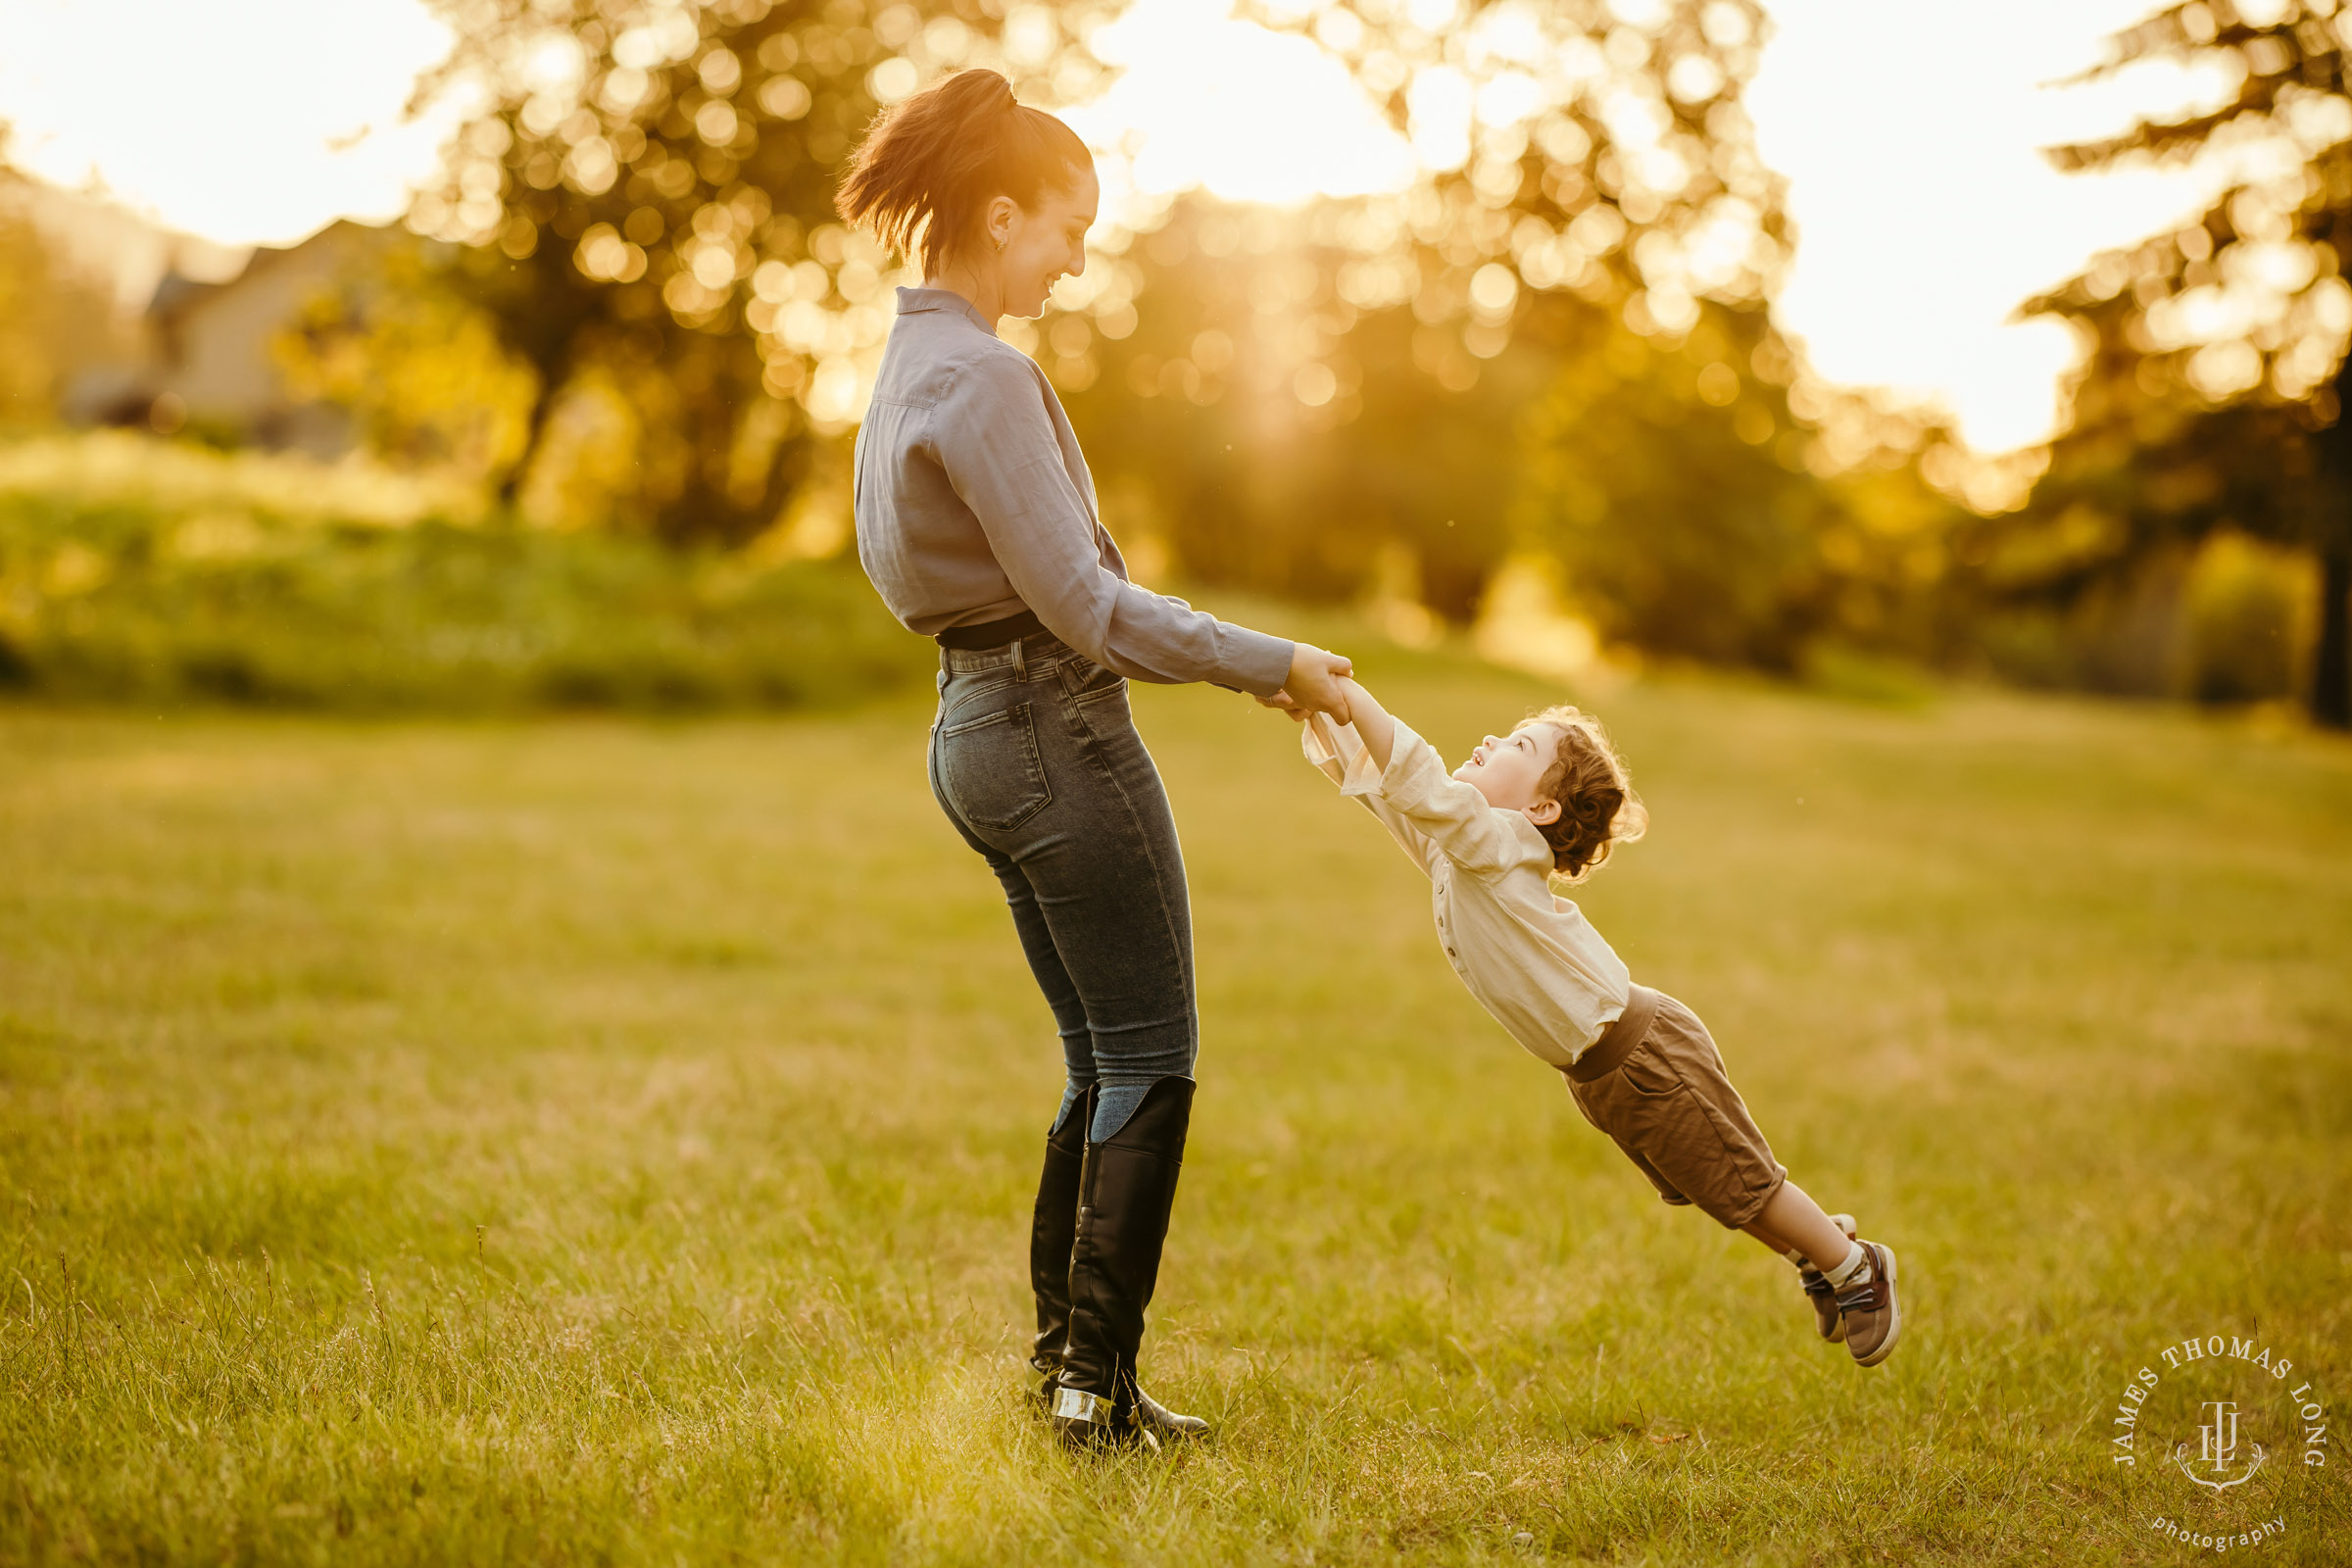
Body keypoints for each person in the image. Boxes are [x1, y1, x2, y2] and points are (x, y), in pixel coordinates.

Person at [837, 69, 1355, 1448]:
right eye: (1068, 229)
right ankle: (1088, 1398)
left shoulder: (905, 367)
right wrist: (1277, 666)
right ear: (1000, 213)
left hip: (969, 728)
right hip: (1053, 726)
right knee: (1152, 1055)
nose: (1075, 259)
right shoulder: (987, 376)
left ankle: (1076, 1376)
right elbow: (1093, 609)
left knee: (1096, 1059)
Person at [1283, 678, 1902, 1366]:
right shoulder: (1460, 848)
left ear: (1540, 808)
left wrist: (1355, 696)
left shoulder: (1500, 842)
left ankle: (1856, 1266)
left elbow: (1421, 781)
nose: (1488, 740)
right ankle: (1818, 1252)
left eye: (1517, 743)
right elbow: (1386, 790)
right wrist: (1322, 710)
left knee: (1745, 1181)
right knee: (1711, 1186)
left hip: (1645, 1056)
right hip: (1601, 1076)